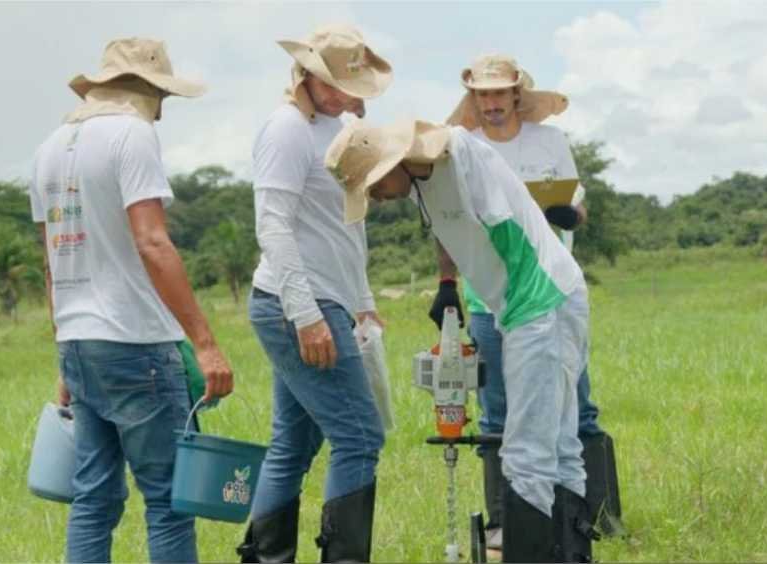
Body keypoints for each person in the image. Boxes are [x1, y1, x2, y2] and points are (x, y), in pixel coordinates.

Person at [325, 119, 599, 563]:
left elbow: (460, 155)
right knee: (560, 446)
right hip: (520, 306)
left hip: (541, 299)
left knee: (526, 452)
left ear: (397, 162)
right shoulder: (417, 183)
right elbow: (446, 224)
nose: (374, 197)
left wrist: (525, 318)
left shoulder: (462, 152)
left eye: (373, 185)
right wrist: (448, 282)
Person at [29, 38, 234, 563]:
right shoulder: (132, 134)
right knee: (168, 499)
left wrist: (64, 350)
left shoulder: (50, 147)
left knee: (93, 497)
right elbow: (152, 242)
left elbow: (51, 264)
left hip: (80, 342)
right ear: (148, 89)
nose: (163, 109)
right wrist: (205, 344)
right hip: (135, 342)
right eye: (163, 95)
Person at [447, 54, 620, 547]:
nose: (492, 103)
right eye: (482, 95)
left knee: (575, 406)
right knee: (498, 412)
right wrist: (447, 285)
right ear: (473, 99)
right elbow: (451, 225)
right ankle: (508, 523)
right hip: (490, 297)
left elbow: (578, 206)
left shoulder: (550, 141)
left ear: (517, 94)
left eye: (499, 93)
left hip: (554, 293)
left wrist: (571, 214)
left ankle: (590, 517)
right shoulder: (466, 148)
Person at [235, 24, 390, 564]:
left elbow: (347, 225)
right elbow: (273, 225)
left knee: (293, 445)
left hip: (329, 299)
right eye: (344, 83)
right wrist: (306, 315)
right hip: (294, 304)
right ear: (310, 76)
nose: (354, 94)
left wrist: (362, 299)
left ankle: (263, 558)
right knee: (360, 437)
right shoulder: (286, 130)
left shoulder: (336, 129)